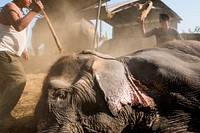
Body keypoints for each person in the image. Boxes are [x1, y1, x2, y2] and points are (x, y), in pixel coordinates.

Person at [0, 0, 44, 124]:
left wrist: (23, 49)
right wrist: (35, 10)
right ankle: (2, 115)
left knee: (4, 84)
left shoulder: (19, 10)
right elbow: (19, 26)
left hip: (8, 52)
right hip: (3, 52)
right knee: (18, 80)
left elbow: (12, 32)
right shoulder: (10, 7)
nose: (31, 0)